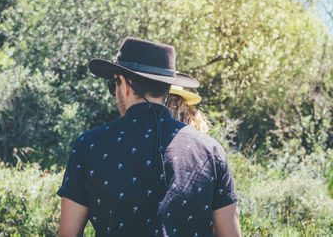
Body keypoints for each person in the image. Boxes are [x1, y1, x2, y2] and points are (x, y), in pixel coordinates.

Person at [57, 37, 241, 237]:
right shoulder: (210, 151)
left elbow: (68, 233)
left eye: (113, 85)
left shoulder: (89, 146)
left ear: (125, 83)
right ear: (168, 89)